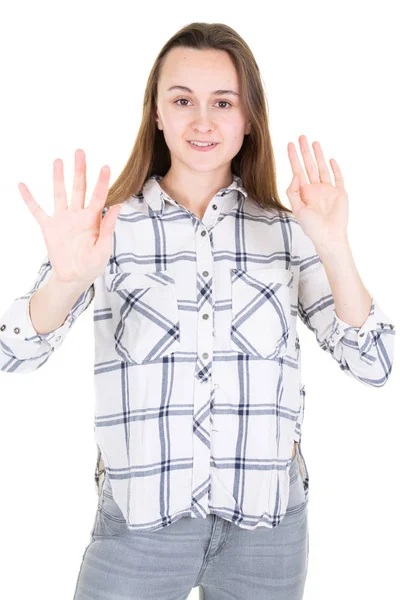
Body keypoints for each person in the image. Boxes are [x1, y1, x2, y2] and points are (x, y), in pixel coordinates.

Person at [0, 21, 395, 600]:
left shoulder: (291, 231)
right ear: (157, 113)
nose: (202, 121)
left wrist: (335, 245)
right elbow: (13, 353)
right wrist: (65, 281)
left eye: (223, 102)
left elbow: (377, 364)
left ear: (248, 116)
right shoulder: (109, 227)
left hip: (267, 532)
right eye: (182, 100)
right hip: (139, 525)